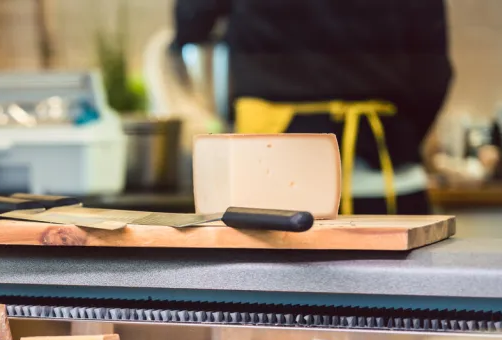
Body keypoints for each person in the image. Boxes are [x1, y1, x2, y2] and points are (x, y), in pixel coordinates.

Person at [171, 0, 454, 215]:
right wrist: (399, 135)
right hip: (385, 173)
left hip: (272, 176)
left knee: (271, 292)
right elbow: (434, 69)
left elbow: (191, 21)